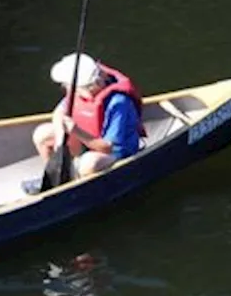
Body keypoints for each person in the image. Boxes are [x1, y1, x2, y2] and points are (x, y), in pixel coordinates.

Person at [24, 52, 143, 192]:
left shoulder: (118, 103)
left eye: (69, 86)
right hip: (87, 141)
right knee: (42, 134)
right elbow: (59, 113)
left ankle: (76, 187)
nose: (67, 89)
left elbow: (107, 148)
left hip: (116, 153)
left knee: (88, 163)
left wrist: (76, 131)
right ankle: (53, 177)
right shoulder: (78, 92)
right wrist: (60, 141)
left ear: (89, 87)